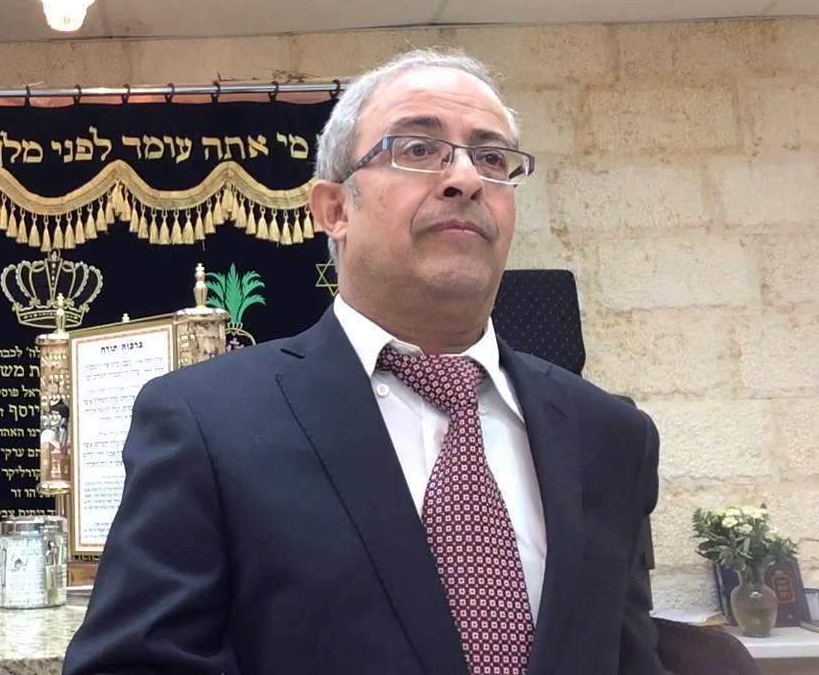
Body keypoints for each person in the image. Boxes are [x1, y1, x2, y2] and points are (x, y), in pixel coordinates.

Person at [62, 49, 670, 675]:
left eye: (492, 158)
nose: (465, 178)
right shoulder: (206, 423)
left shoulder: (610, 437)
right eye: (417, 148)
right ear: (335, 209)